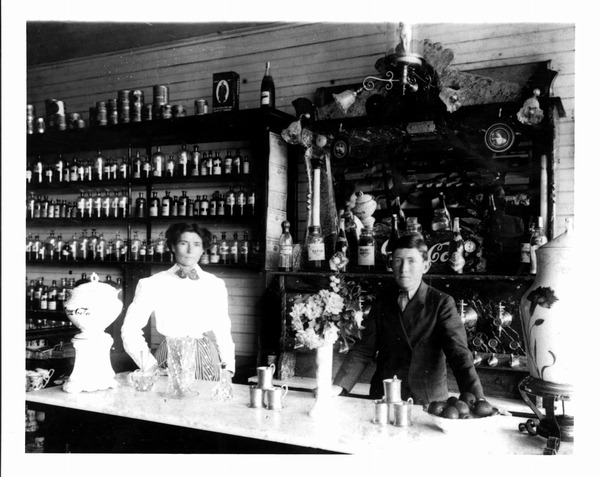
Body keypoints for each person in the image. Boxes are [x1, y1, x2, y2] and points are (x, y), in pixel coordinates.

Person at [332, 233, 484, 404]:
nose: (403, 269)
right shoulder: (382, 300)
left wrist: (477, 400)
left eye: (412, 261)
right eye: (398, 261)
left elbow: (459, 355)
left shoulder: (441, 303)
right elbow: (362, 350)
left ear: (425, 266)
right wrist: (339, 387)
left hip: (427, 403)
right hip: (384, 397)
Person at [121, 223, 235, 380]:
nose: (190, 250)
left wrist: (228, 368)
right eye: (183, 243)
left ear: (203, 249)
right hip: (168, 358)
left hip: (207, 358)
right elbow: (130, 329)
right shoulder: (152, 283)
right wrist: (150, 366)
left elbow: (223, 331)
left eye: (196, 244)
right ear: (173, 247)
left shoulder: (214, 284)